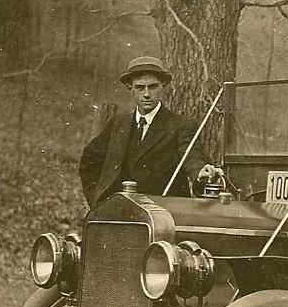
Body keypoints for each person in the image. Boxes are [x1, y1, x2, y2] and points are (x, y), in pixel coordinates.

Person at [79, 56, 219, 207]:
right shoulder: (118, 123)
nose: (146, 94)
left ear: (163, 86)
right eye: (140, 87)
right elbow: (89, 160)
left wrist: (200, 173)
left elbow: (192, 158)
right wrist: (97, 199)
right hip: (118, 211)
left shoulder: (181, 126)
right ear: (130, 88)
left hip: (162, 216)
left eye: (152, 87)